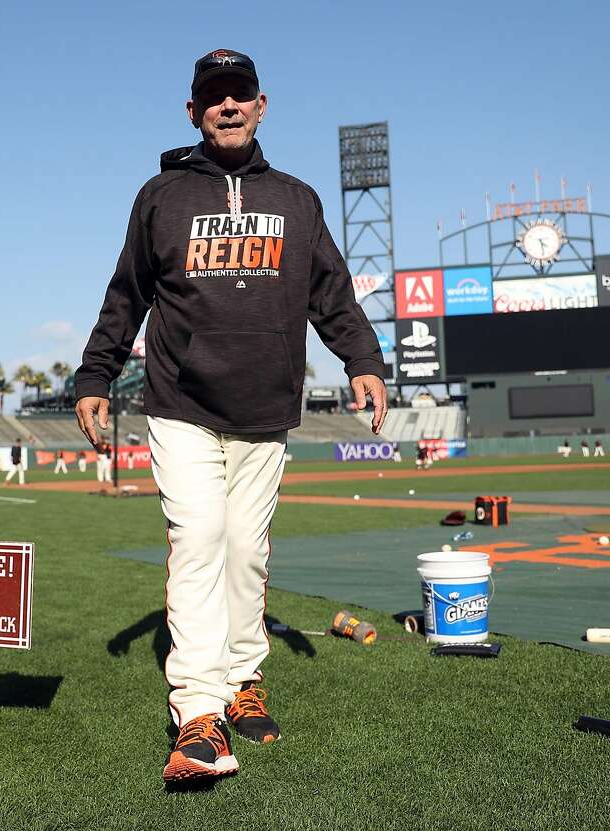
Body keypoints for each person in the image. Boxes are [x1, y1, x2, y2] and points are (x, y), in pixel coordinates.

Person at [74, 48, 386, 787]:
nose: (227, 106)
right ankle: (198, 708)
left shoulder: (298, 200)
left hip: (266, 406)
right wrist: (94, 371)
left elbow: (332, 292)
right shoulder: (160, 195)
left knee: (246, 549)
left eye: (238, 94)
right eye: (212, 96)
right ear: (192, 111)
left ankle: (244, 679)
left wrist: (363, 359)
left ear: (261, 104)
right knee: (201, 536)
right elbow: (127, 294)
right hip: (181, 401)